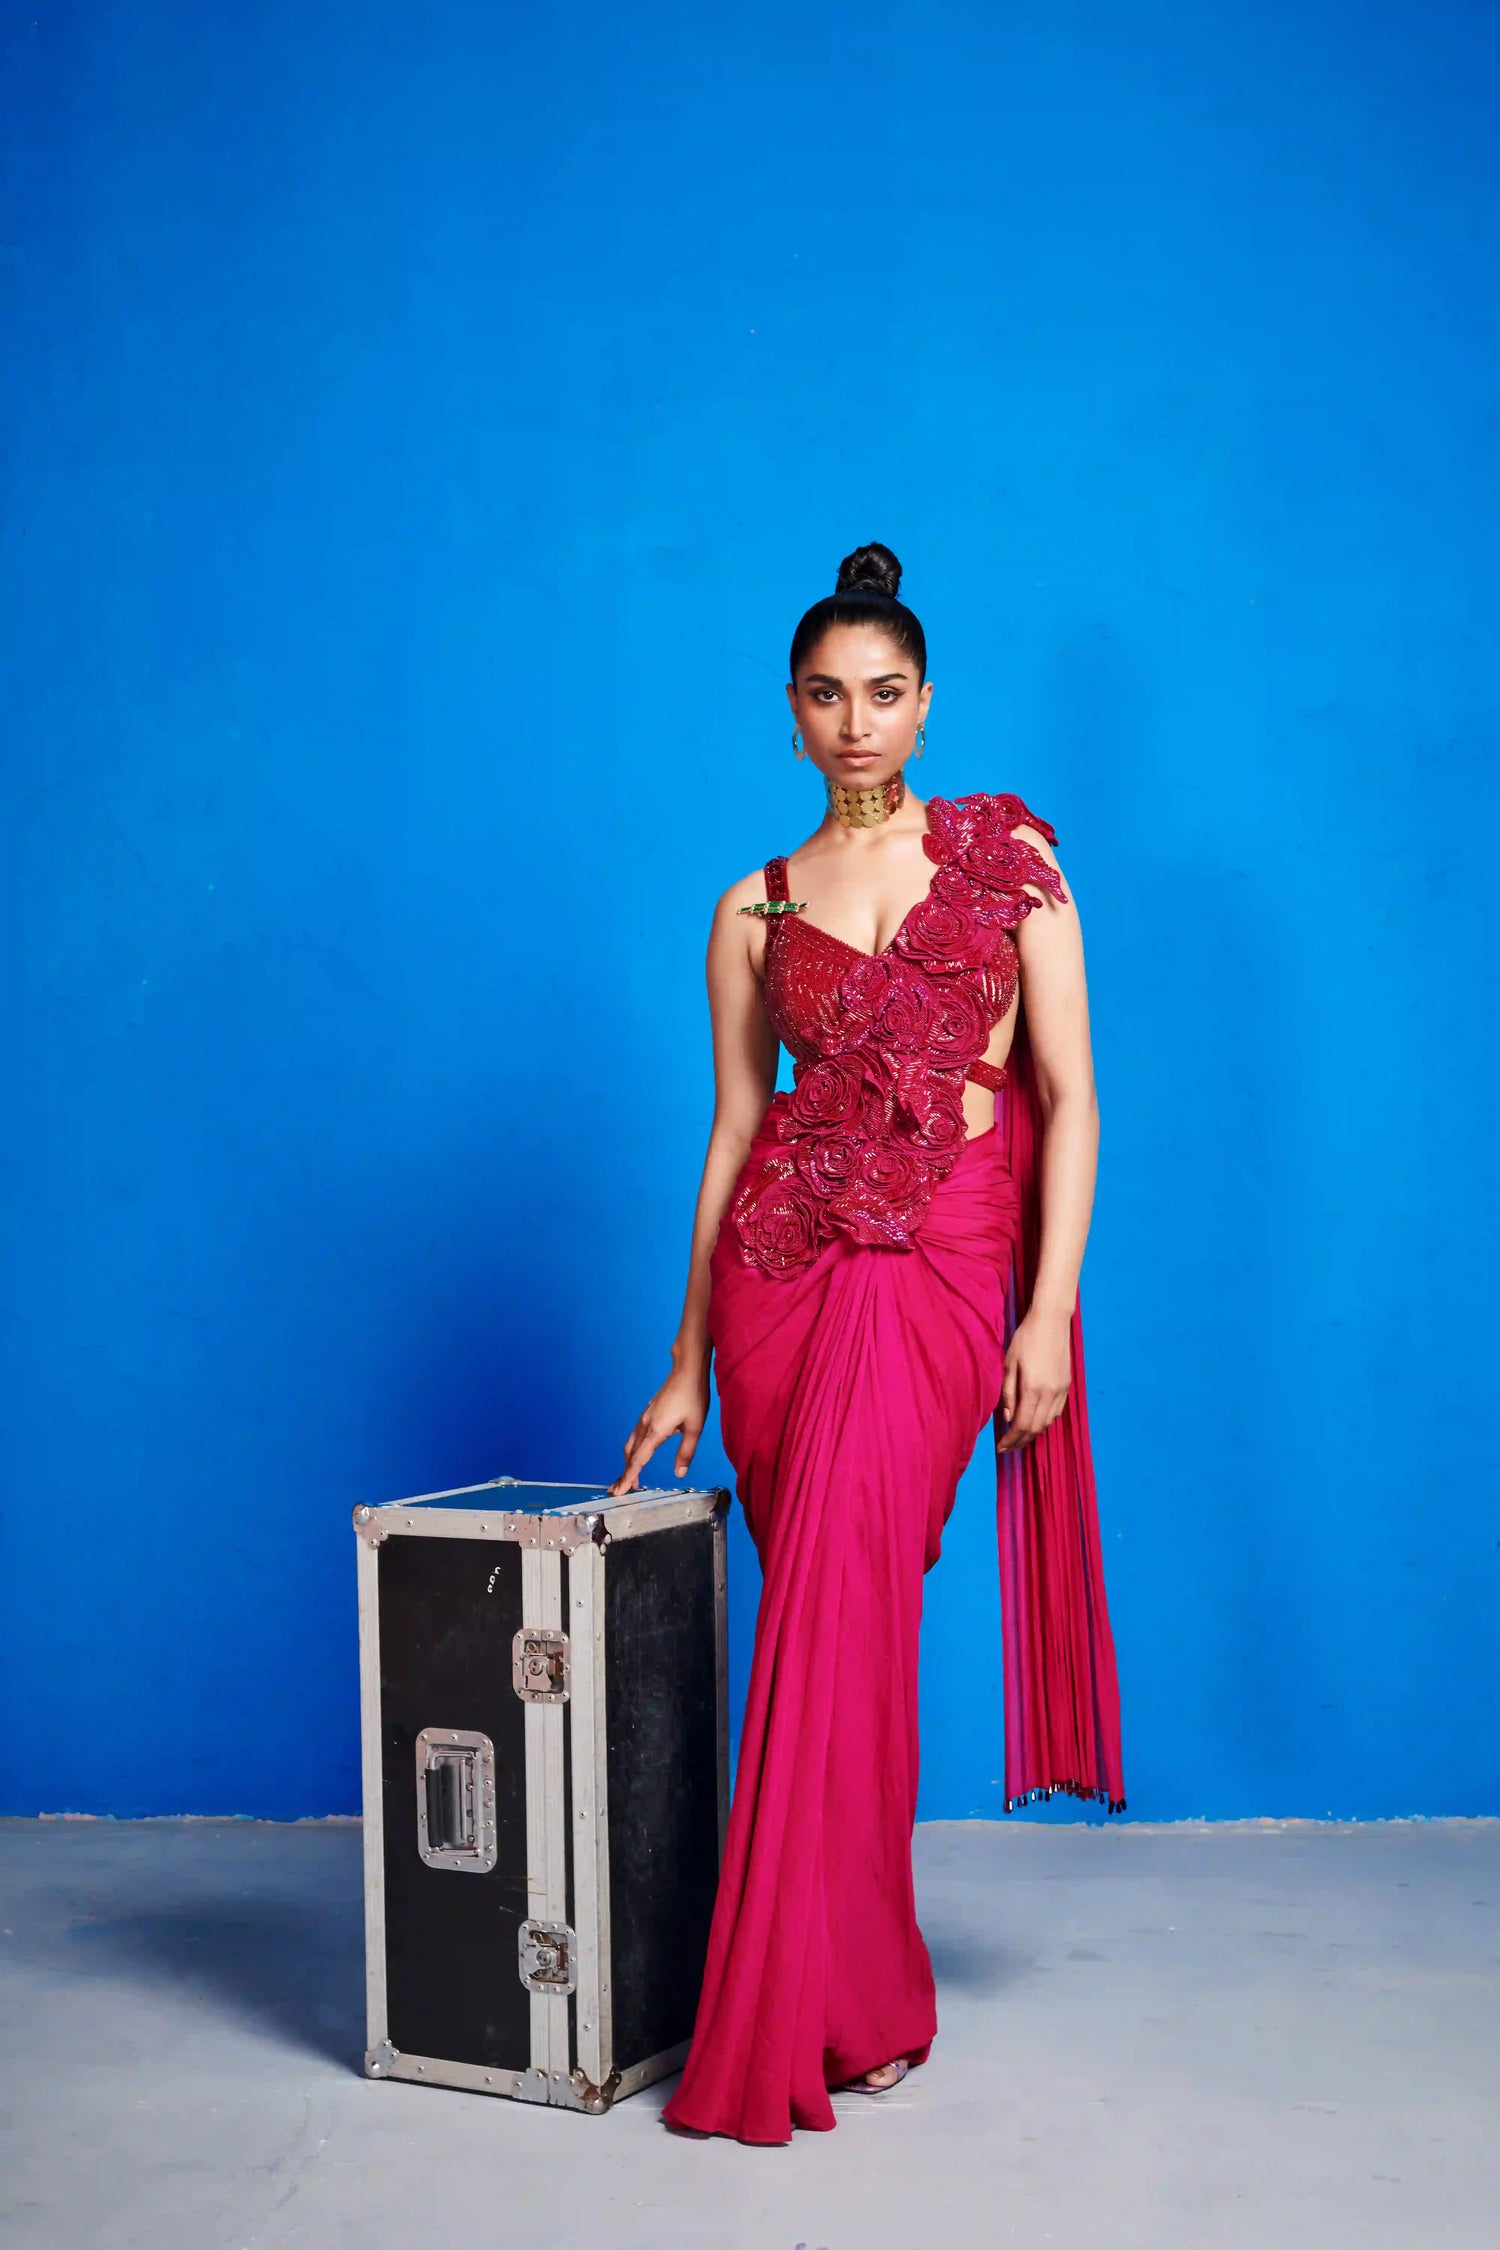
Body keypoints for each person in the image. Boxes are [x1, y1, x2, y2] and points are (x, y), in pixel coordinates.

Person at [611, 544, 1124, 2146]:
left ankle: (851, 1986)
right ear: (791, 714)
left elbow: (1072, 1098)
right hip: (780, 1283)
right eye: (827, 696)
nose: (856, 724)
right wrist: (690, 1358)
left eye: (884, 694)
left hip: (947, 1278)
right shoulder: (753, 906)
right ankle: (837, 1981)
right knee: (819, 1630)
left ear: (926, 704)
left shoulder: (1012, 863)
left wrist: (1048, 1309)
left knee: (858, 1620)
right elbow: (731, 1134)